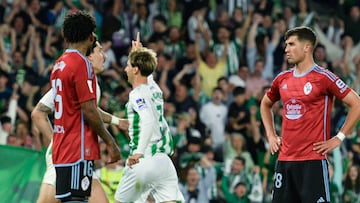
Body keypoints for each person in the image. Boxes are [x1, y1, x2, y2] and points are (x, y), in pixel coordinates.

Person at [260, 26, 360, 203]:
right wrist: (271, 134)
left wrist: (339, 137)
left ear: (307, 47)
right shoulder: (282, 79)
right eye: (286, 45)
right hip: (285, 160)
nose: (286, 49)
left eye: (291, 44)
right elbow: (265, 104)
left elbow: (356, 103)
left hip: (312, 161)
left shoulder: (324, 77)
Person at [33, 40, 128, 203]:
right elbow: (38, 113)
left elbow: (90, 110)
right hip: (66, 155)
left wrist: (116, 121)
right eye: (100, 51)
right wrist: (57, 143)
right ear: (89, 57)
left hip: (77, 155)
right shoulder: (71, 79)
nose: (104, 56)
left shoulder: (90, 82)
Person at [49, 10, 120, 202]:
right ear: (91, 37)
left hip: (62, 148)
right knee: (77, 200)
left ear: (65, 35)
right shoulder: (81, 64)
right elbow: (88, 109)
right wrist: (110, 142)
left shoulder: (59, 64)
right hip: (77, 148)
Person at [114, 33, 184, 203]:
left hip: (144, 159)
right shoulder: (155, 90)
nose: (125, 69)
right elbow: (148, 75)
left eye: (129, 65)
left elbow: (148, 119)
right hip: (164, 163)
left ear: (136, 69)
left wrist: (138, 153)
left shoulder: (137, 94)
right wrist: (138, 53)